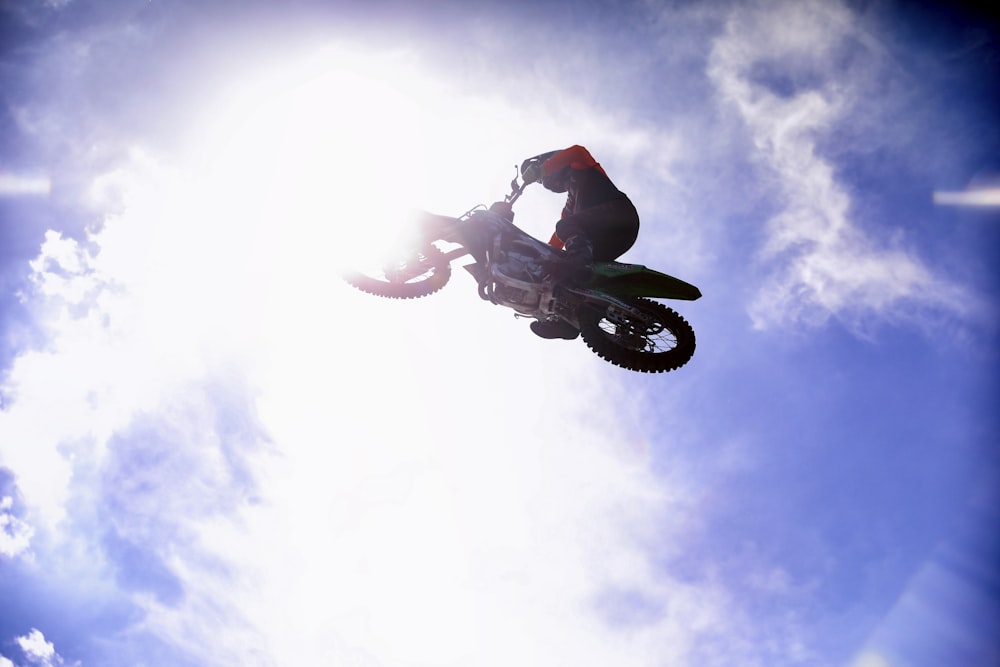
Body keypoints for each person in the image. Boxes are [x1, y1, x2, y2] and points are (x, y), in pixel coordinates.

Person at [519, 145, 640, 339]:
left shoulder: (580, 166)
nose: (544, 181)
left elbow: (577, 150)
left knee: (568, 234)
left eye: (543, 177)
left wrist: (542, 169)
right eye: (541, 179)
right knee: (567, 265)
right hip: (613, 237)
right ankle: (571, 321)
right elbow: (554, 245)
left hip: (619, 214)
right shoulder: (570, 205)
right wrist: (539, 259)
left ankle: (578, 265)